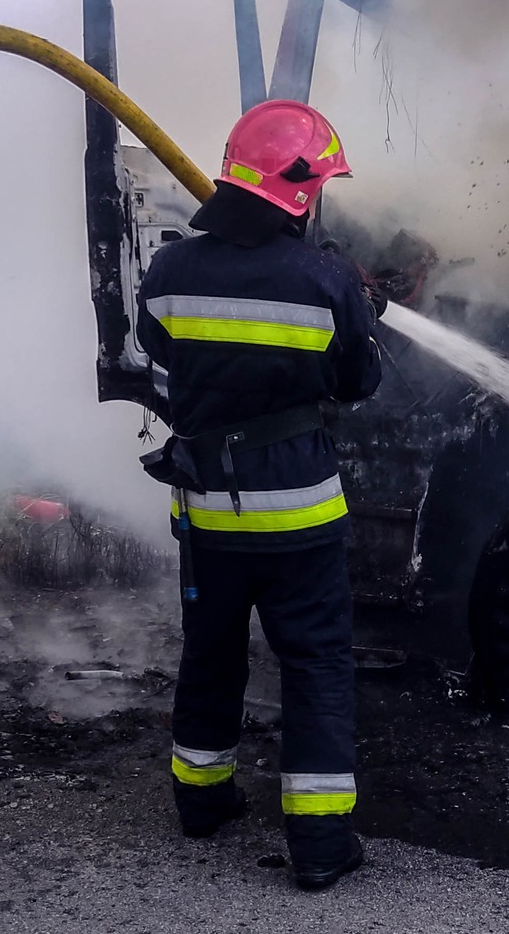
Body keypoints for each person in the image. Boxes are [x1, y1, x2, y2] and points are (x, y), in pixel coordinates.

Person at [135, 99, 385, 890]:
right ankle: (317, 845)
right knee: (313, 666)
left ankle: (201, 801)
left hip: (207, 516)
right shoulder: (324, 278)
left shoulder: (171, 270)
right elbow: (359, 382)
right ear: (303, 193)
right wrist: (362, 315)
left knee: (210, 655)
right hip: (301, 520)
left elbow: (157, 348)